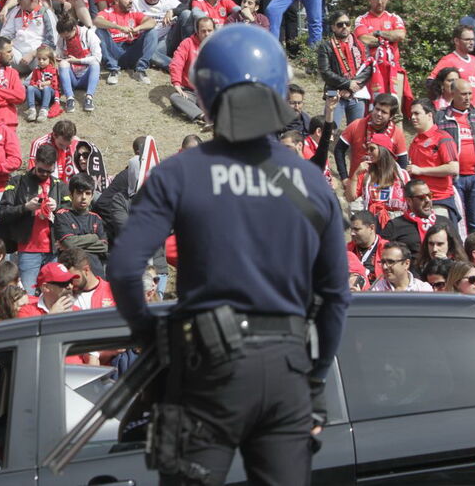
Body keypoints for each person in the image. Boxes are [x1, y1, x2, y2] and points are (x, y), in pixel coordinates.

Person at [107, 25, 350, 484]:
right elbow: (335, 296)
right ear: (278, 90)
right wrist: (313, 379)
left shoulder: (179, 173)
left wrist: (149, 333)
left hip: (204, 369)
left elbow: (123, 268)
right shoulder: (312, 182)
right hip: (286, 370)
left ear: (204, 92)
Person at [0, 144, 70, 290]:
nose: (44, 174)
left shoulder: (59, 185)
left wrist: (58, 208)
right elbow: (3, 211)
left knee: (53, 293)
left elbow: (70, 212)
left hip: (53, 249)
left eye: (49, 171)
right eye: (41, 170)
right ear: (34, 162)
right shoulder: (18, 182)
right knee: (29, 294)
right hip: (28, 248)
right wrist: (26, 207)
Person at [435, 79, 475, 232]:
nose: (468, 98)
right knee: (457, 220)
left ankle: (474, 253)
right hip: (453, 178)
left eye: (470, 94)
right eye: (463, 94)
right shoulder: (441, 117)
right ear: (453, 94)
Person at [353, 0, 413, 117]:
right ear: (369, 0)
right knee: (371, 110)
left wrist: (379, 33)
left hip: (393, 69)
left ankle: (396, 137)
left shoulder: (394, 18)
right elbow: (363, 38)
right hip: (371, 71)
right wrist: (387, 38)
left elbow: (400, 35)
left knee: (396, 112)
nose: (379, 2)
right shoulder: (361, 19)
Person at [334, 93, 409, 183]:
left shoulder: (397, 133)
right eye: (377, 109)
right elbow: (339, 150)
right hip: (356, 184)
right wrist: (344, 177)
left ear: (391, 116)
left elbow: (403, 163)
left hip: (383, 186)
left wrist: (396, 184)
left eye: (384, 112)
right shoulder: (356, 125)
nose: (378, 114)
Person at [407, 99, 460, 223]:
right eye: (411, 114)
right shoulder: (415, 141)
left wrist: (420, 171)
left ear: (429, 115)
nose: (413, 117)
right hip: (419, 203)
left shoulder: (443, 137)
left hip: (439, 202)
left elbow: (453, 168)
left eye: (417, 113)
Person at [317, 10, 372, 127]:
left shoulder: (361, 45)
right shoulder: (326, 46)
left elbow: (367, 69)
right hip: (334, 93)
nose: (344, 27)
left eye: (347, 24)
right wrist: (347, 84)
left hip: (357, 94)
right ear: (333, 27)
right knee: (329, 130)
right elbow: (325, 72)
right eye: (340, 24)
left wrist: (352, 88)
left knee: (356, 133)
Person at [94, 0, 158, 85]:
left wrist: (138, 28)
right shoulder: (108, 12)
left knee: (152, 32)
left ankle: (140, 70)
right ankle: (113, 70)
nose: (131, 1)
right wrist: (119, 27)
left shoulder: (134, 13)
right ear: (116, 0)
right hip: (115, 52)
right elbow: (97, 21)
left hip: (133, 51)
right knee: (100, 31)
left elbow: (152, 22)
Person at [344, 133, 410, 228]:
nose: (368, 152)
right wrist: (355, 175)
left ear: (383, 150)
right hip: (372, 222)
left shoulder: (402, 175)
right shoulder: (366, 173)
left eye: (372, 149)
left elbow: (410, 202)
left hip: (397, 221)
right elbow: (350, 198)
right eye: (367, 149)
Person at [381, 179, 455, 260]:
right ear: (409, 201)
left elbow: (459, 253)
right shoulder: (394, 226)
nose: (427, 200)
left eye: (429, 195)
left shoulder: (444, 222)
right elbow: (382, 254)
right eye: (421, 197)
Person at [0, 0, 58, 72]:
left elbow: (52, 41)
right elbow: (5, 34)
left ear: (32, 0)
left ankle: (30, 82)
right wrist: (8, 45)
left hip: (37, 56)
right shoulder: (16, 11)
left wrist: (33, 54)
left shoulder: (46, 13)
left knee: (44, 59)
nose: (18, 1)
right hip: (17, 55)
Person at [168, 16, 214, 125]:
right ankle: (203, 117)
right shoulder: (187, 43)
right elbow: (177, 63)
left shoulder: (218, 46)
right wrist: (177, 83)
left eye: (209, 31)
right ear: (197, 31)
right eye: (203, 31)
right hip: (191, 92)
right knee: (175, 97)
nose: (207, 34)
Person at [429, 25, 475, 110]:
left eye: (473, 39)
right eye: (467, 39)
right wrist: (442, 103)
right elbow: (431, 81)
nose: (472, 42)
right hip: (460, 113)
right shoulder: (448, 60)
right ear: (456, 41)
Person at [369, 242, 433, 292]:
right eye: (383, 262)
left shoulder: (423, 289)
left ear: (406, 263)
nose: (385, 267)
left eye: (391, 262)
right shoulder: (377, 289)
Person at [24, 45, 60, 123]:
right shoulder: (36, 70)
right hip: (40, 92)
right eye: (39, 59)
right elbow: (32, 81)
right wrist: (36, 85)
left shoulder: (53, 69)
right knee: (30, 87)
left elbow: (54, 83)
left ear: (50, 60)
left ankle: (44, 110)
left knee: (46, 88)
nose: (41, 61)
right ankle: (32, 110)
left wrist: (44, 83)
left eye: (44, 59)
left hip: (50, 94)